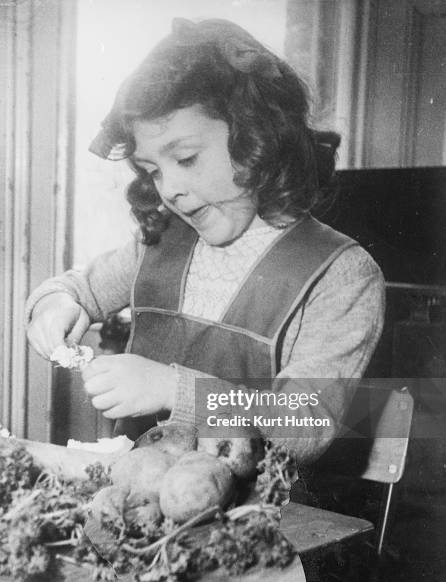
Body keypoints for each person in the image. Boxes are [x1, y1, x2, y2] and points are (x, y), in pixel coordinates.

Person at [26, 17, 385, 465]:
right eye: (153, 169)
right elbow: (79, 288)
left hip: (260, 521)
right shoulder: (159, 242)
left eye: (186, 158)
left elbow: (306, 422)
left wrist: (172, 390)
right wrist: (55, 305)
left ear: (259, 137)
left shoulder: (340, 274)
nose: (168, 189)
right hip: (138, 501)